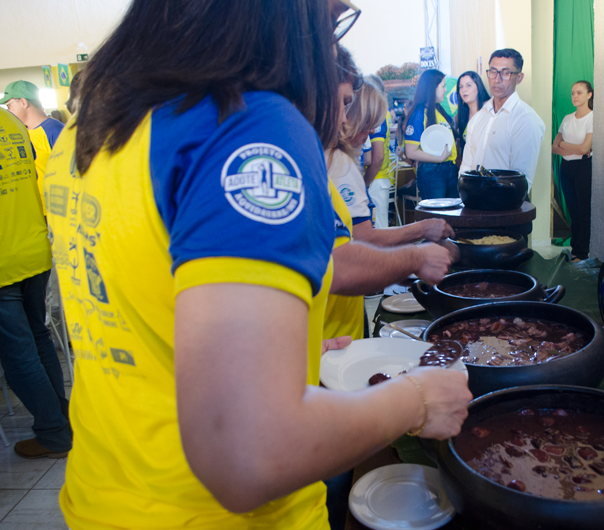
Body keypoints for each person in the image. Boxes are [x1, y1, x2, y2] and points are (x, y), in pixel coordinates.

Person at [46, 1, 471, 529]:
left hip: (104, 499)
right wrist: (416, 400)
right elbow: (248, 453)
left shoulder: (87, 130)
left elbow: (142, 315)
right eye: (329, 14)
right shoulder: (245, 125)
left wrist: (276, 354)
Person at [325, 46, 455, 343]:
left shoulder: (331, 162)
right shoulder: (339, 165)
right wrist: (416, 251)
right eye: (344, 104)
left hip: (338, 322)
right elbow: (355, 248)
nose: (346, 122)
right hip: (333, 328)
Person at [0, 109, 72, 460]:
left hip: (3, 261)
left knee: (18, 355)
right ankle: (62, 419)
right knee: (38, 339)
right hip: (32, 247)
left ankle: (54, 433)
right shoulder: (9, 121)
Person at [459, 48, 546, 190]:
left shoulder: (526, 119)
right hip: (473, 204)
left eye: (506, 73)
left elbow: (521, 182)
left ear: (519, 77)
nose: (497, 79)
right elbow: (466, 167)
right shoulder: (479, 117)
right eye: (493, 72)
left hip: (505, 205)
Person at [1, 80, 65, 214]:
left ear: (23, 102)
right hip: (36, 211)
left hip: (57, 211)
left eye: (9, 105)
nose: (9, 111)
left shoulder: (55, 131)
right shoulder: (22, 133)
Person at [553, 80, 594, 262]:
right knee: (573, 211)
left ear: (589, 95)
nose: (575, 96)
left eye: (579, 93)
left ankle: (582, 252)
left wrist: (565, 144)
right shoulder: (567, 118)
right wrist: (573, 148)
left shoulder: (593, 118)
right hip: (566, 168)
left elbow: (585, 149)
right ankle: (575, 249)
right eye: (572, 93)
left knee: (584, 211)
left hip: (583, 168)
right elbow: (554, 147)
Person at [402, 69, 458, 200]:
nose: (445, 90)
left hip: (450, 168)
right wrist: (439, 158)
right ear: (432, 87)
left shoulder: (440, 110)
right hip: (432, 172)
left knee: (452, 217)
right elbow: (410, 152)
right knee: (436, 217)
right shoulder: (419, 114)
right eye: (443, 86)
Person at [363, 76, 395, 228]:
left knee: (379, 230)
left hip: (375, 179)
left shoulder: (378, 114)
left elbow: (377, 157)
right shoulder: (381, 113)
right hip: (378, 179)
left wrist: (364, 183)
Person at [453, 71, 490, 156]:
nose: (464, 90)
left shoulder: (489, 109)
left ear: (478, 87)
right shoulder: (460, 115)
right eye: (461, 87)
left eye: (468, 85)